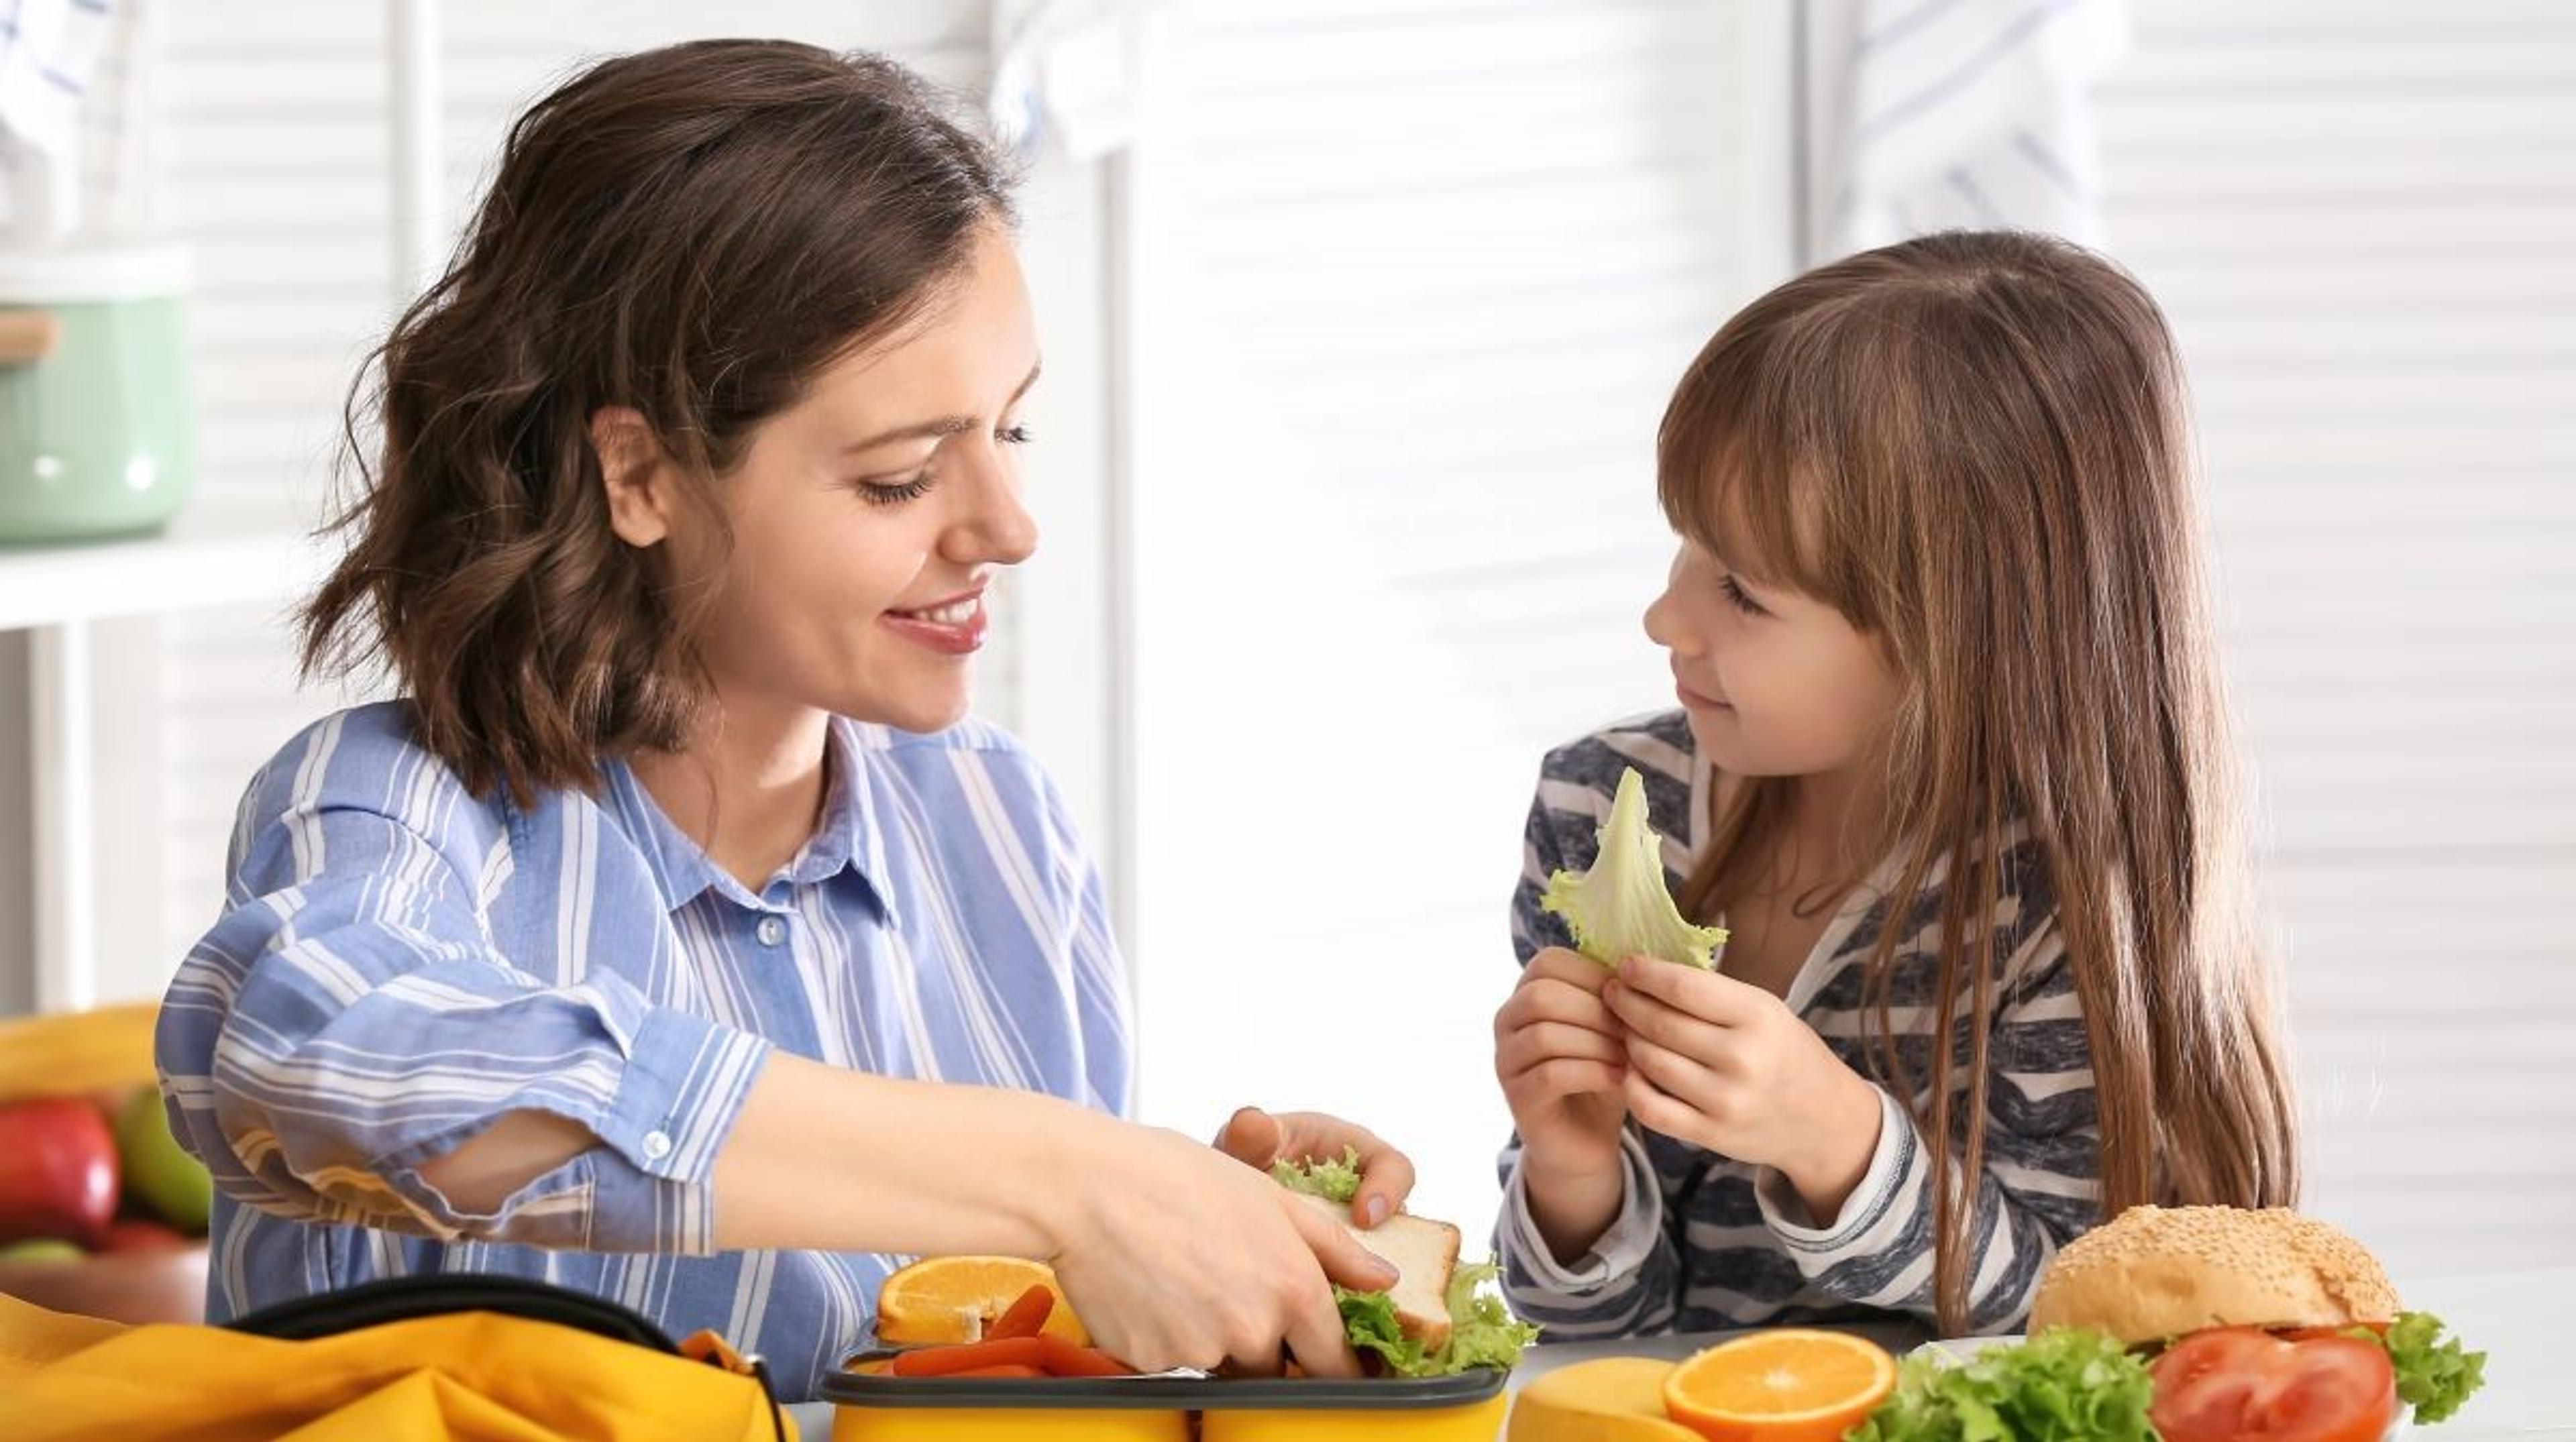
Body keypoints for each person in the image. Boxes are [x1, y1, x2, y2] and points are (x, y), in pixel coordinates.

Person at [154, 40, 1413, 1400]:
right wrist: (1071, 1176)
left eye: (1014, 432)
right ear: (640, 474)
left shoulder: (998, 824)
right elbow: (329, 1067)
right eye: (901, 476)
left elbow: (974, 1355)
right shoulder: (387, 808)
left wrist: (1196, 1232)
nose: (1009, 527)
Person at [1489, 231, 2301, 1339]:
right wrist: (1570, 1172)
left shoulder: (2066, 902)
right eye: (1686, 549)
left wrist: (1836, 1143)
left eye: (1742, 591)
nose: (1665, 620)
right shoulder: (1601, 804)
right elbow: (1584, 1332)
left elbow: (2092, 1325)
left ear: (1957, 641)